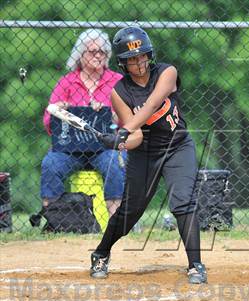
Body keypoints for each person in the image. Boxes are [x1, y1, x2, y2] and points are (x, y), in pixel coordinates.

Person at [89, 26, 207, 284]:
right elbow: (136, 138)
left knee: (183, 203)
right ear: (122, 62)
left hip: (178, 147)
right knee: (129, 212)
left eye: (142, 56)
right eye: (132, 59)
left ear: (149, 54)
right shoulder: (119, 92)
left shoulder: (167, 72)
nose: (139, 62)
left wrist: (124, 130)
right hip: (144, 154)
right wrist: (118, 143)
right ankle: (101, 252)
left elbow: (154, 103)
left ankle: (196, 264)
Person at [40, 29, 125, 217]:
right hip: (71, 149)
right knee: (51, 164)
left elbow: (129, 119)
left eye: (102, 51)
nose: (98, 55)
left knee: (114, 162)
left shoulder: (117, 81)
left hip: (105, 148)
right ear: (80, 55)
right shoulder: (67, 82)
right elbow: (48, 123)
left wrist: (109, 114)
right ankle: (54, 220)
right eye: (92, 51)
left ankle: (117, 222)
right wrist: (58, 110)